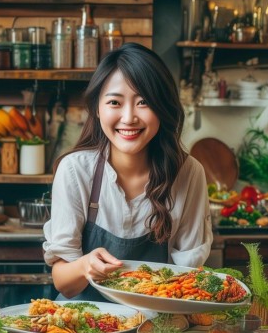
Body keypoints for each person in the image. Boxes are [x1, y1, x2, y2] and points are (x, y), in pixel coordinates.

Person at [42, 42, 212, 300]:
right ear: (98, 110)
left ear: (162, 108)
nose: (129, 117)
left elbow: (188, 279)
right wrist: (85, 266)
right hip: (83, 324)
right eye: (115, 102)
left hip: (155, 325)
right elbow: (63, 284)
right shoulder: (75, 170)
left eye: (143, 102)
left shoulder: (188, 174)